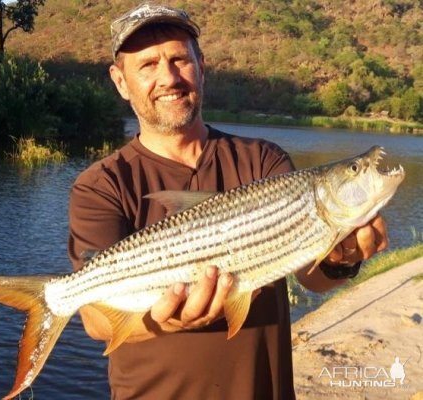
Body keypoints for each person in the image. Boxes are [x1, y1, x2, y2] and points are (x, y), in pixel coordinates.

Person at [68, 3, 389, 399]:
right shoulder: (99, 185)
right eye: (147, 65)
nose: (168, 77)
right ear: (120, 81)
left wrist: (343, 259)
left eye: (179, 59)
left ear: (202, 66)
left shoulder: (263, 159)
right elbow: (95, 319)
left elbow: (312, 277)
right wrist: (168, 322)